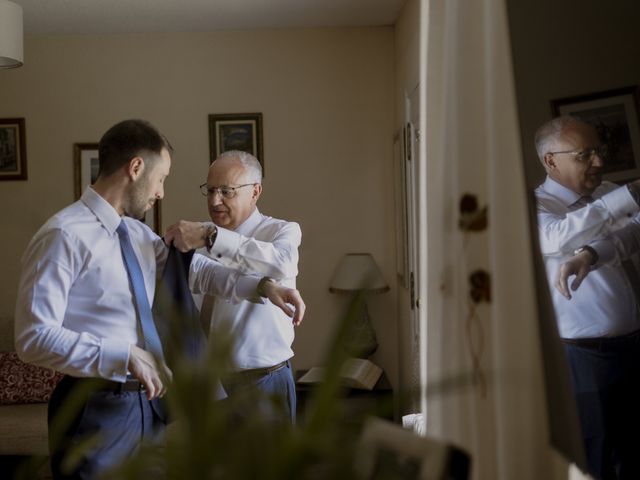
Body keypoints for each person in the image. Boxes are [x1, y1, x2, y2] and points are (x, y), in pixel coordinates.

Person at [14, 120, 305, 479]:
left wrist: (263, 288)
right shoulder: (63, 235)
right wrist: (123, 354)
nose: (161, 193)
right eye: (162, 178)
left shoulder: (137, 233)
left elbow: (199, 272)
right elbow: (32, 338)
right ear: (136, 169)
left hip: (147, 404)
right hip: (94, 403)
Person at [535, 115, 640, 479]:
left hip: (633, 346)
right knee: (593, 459)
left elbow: (635, 235)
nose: (598, 161)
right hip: (583, 359)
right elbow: (558, 239)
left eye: (599, 151)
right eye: (585, 154)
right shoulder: (536, 207)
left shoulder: (608, 190)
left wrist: (592, 253)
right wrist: (622, 200)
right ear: (551, 161)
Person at [165, 150, 301, 424]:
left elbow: (281, 265)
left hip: (263, 384)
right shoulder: (197, 241)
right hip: (208, 387)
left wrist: (212, 237)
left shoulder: (281, 232)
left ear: (255, 191)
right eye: (211, 190)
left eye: (227, 191)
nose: (215, 201)